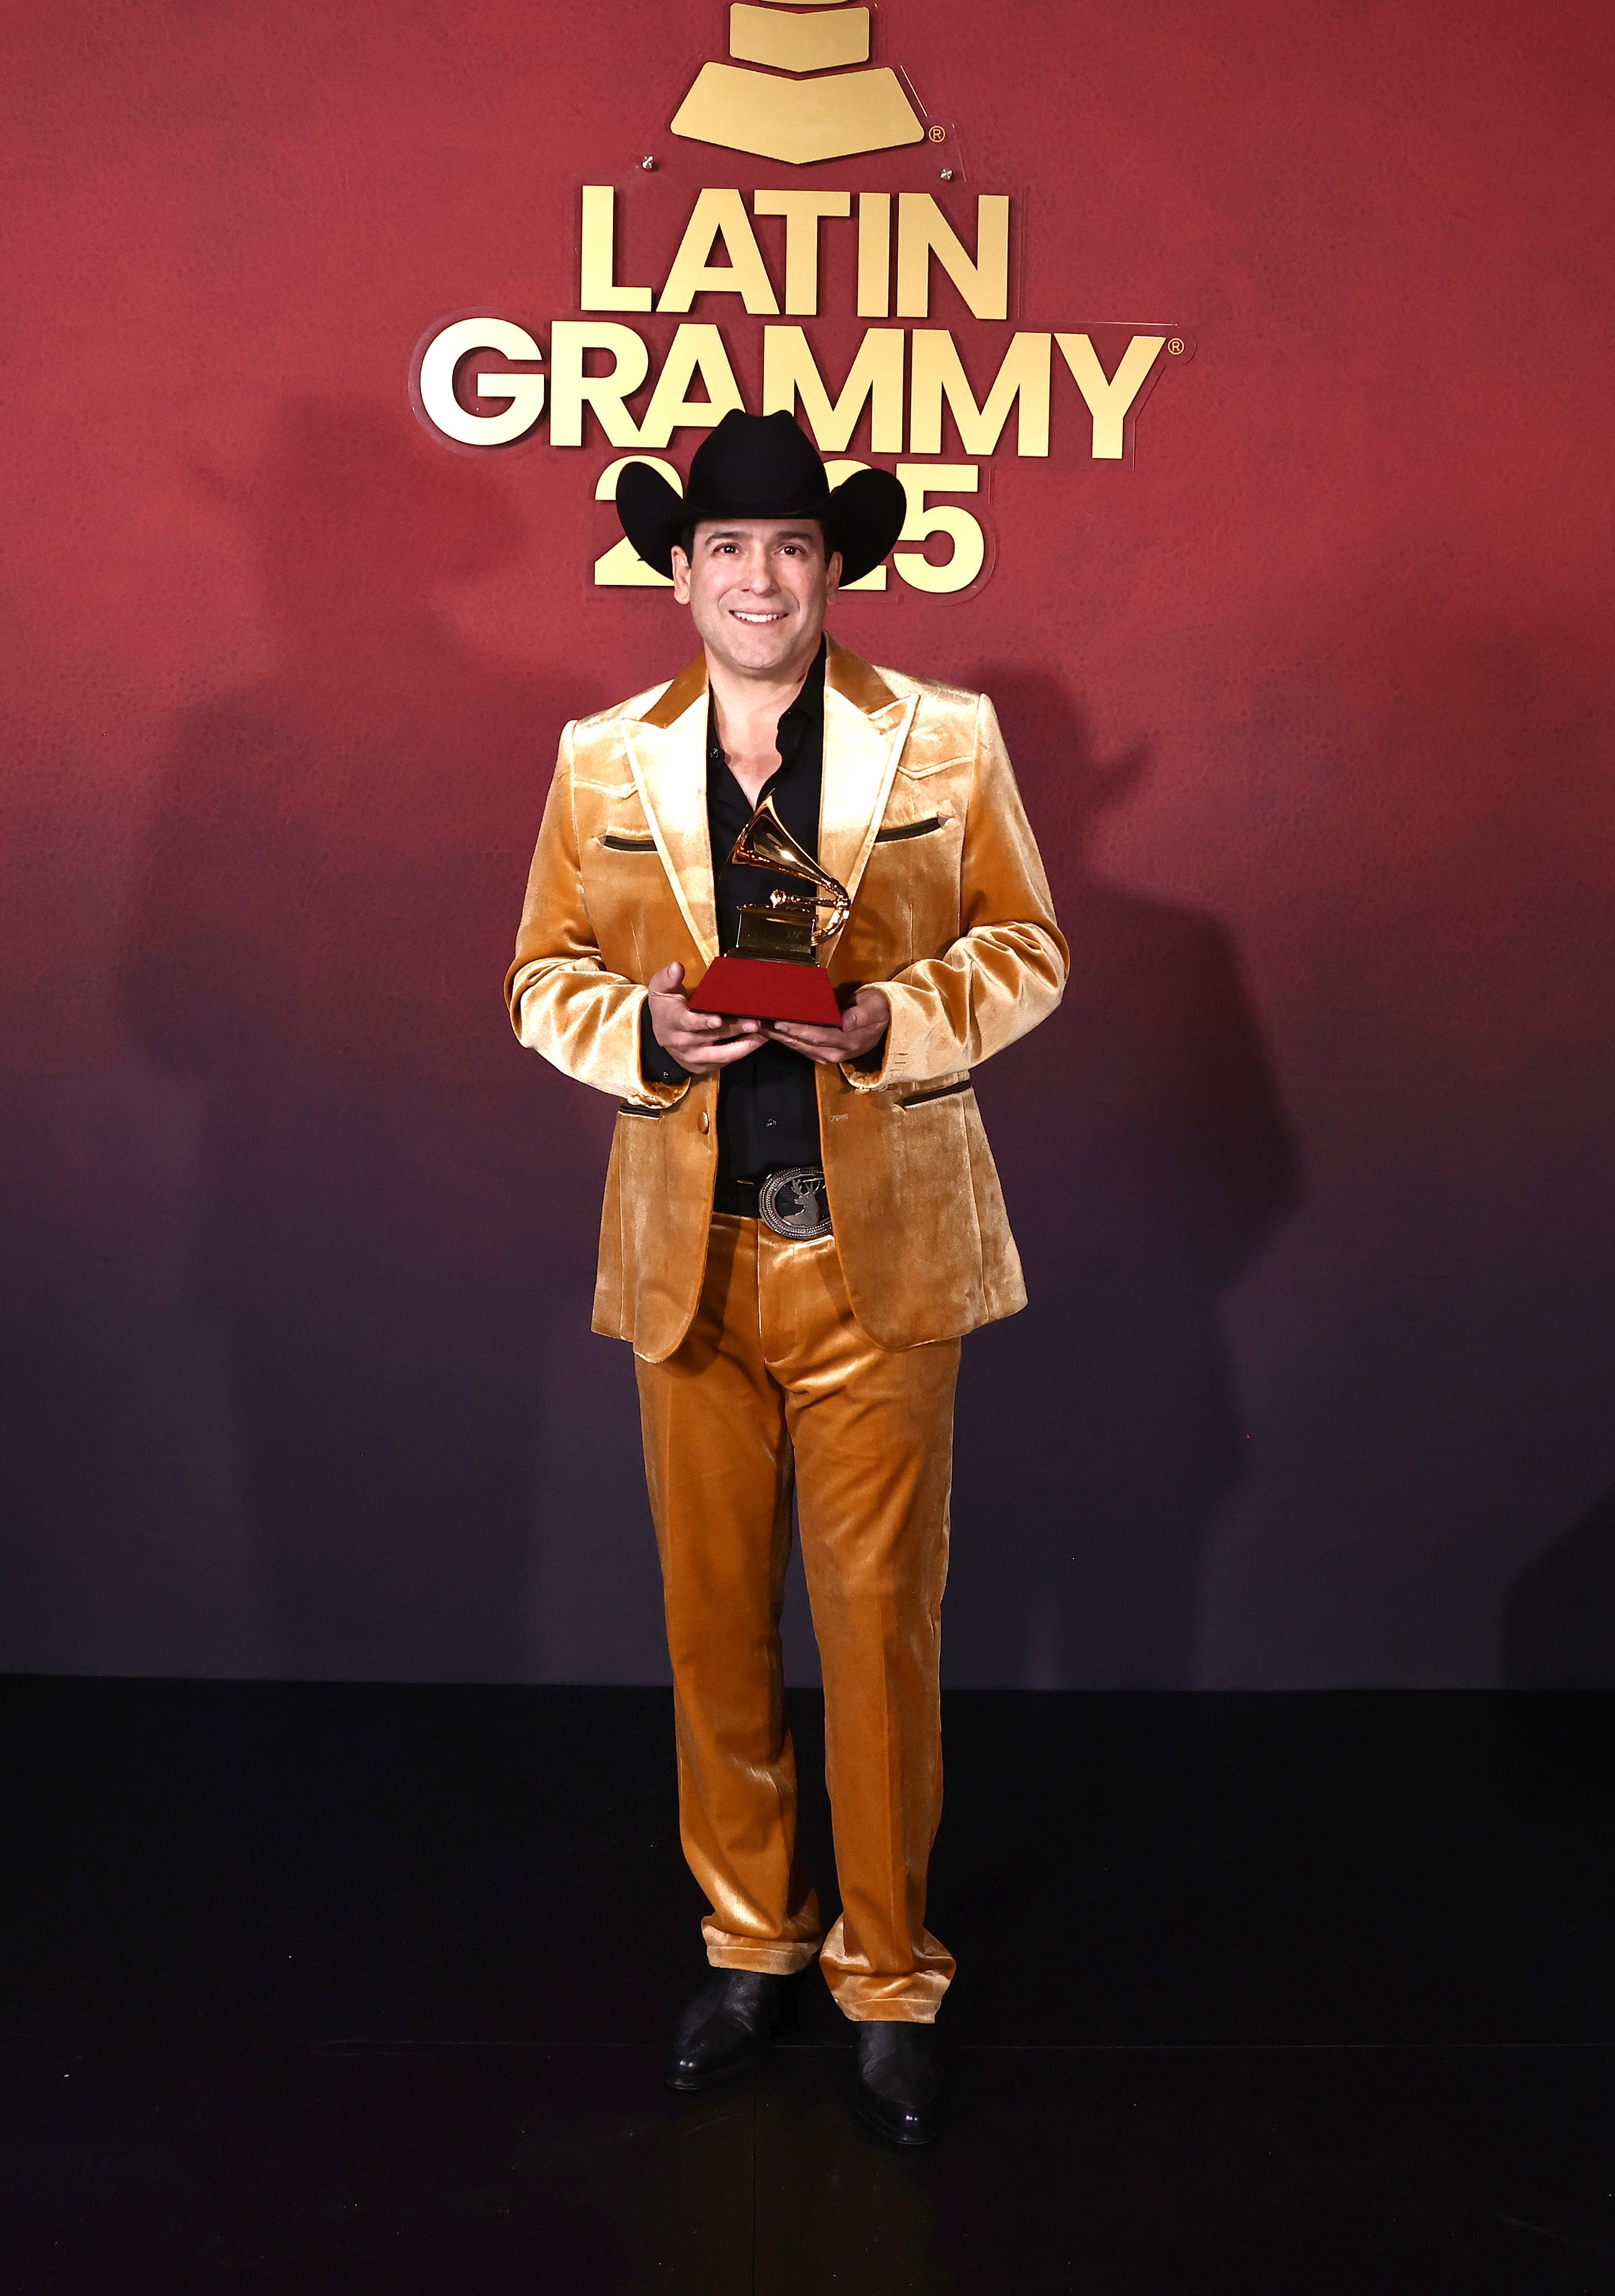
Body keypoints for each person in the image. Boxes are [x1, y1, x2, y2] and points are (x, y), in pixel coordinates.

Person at [505, 410, 1068, 2150]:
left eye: (792, 549)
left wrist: (902, 1019)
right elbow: (536, 979)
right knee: (710, 1633)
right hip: (692, 1259)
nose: (758, 578)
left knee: (880, 1636)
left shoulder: (945, 738)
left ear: (834, 569)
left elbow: (1030, 948)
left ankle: (889, 1973)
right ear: (679, 575)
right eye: (727, 550)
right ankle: (750, 1945)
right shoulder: (601, 758)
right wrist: (643, 1032)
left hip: (878, 1258)